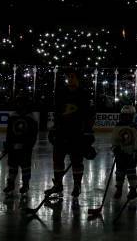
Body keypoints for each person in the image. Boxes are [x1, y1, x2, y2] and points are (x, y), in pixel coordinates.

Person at [45, 70, 96, 201]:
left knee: (77, 161)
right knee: (57, 160)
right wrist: (54, 129)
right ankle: (58, 185)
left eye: (73, 77)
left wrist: (88, 133)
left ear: (78, 79)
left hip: (77, 133)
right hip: (62, 132)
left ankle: (77, 185)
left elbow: (88, 115)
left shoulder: (83, 94)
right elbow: (57, 112)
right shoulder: (61, 93)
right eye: (69, 77)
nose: (70, 79)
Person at [3, 95, 38, 196]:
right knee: (12, 167)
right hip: (13, 147)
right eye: (18, 103)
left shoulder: (31, 117)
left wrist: (29, 145)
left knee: (25, 167)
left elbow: (33, 133)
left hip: (25, 147)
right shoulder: (13, 116)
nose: (19, 105)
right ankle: (10, 184)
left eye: (21, 103)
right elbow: (9, 132)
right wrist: (8, 145)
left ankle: (25, 185)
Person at [111, 105, 137, 200]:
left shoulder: (135, 128)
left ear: (132, 116)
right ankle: (119, 189)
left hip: (131, 154)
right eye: (124, 116)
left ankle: (133, 189)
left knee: (131, 171)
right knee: (119, 171)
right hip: (120, 153)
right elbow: (114, 139)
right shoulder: (118, 126)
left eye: (128, 116)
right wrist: (115, 148)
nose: (126, 118)